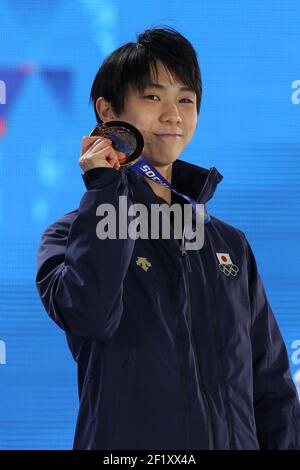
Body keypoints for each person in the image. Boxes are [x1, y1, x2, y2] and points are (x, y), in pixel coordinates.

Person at [36, 26, 300, 450]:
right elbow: (91, 316)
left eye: (186, 99)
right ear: (108, 111)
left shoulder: (228, 244)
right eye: (153, 97)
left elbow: (271, 388)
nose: (173, 114)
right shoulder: (71, 235)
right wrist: (105, 192)